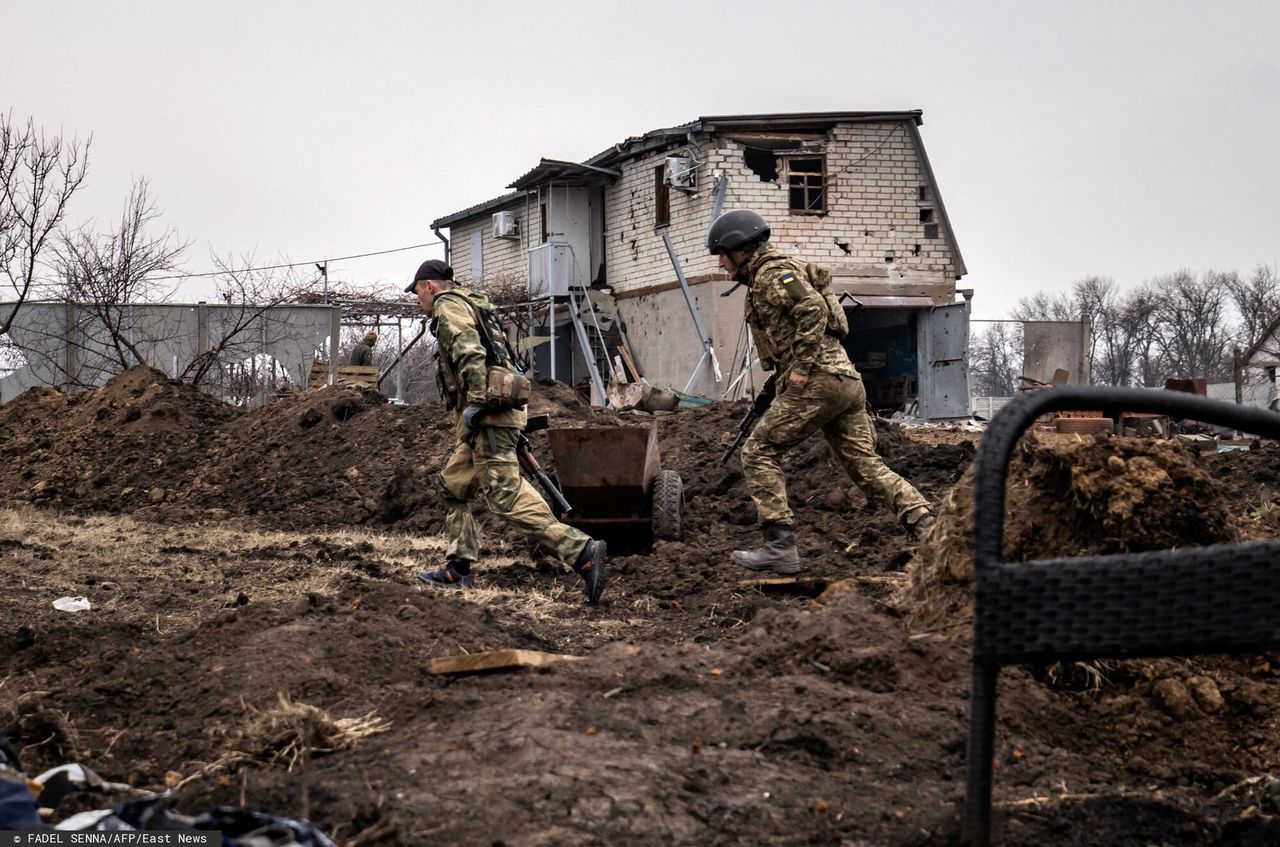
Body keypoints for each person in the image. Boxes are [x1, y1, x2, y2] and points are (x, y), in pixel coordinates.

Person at [707, 209, 936, 574]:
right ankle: (927, 527)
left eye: (722, 253)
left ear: (741, 248)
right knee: (865, 465)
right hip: (845, 381)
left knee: (759, 451)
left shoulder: (770, 273)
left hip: (819, 380)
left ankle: (779, 545)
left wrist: (799, 369)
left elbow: (812, 309)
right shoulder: (776, 272)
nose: (720, 262)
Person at [405, 259, 607, 603]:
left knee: (505, 496)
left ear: (430, 286)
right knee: (453, 486)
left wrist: (479, 403)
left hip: (488, 415)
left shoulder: (447, 306)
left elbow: (470, 351)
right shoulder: (473, 303)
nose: (418, 300)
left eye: (417, 292)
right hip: (492, 413)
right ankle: (458, 569)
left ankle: (581, 552)